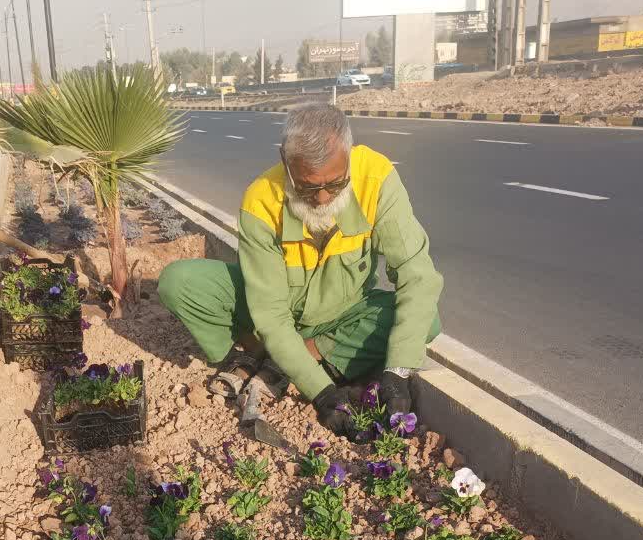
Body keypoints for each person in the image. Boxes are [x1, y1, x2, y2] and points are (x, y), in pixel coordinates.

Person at [157, 104, 443, 438]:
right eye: (307, 187)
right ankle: (267, 356)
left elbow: (415, 272)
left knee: (427, 319)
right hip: (272, 316)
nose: (322, 198)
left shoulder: (375, 177)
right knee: (180, 282)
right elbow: (272, 316)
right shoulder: (261, 200)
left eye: (335, 184)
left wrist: (397, 372)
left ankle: (286, 361)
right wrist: (322, 393)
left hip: (343, 314)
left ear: (349, 157)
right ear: (285, 162)